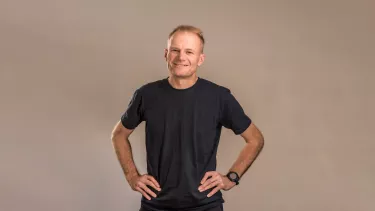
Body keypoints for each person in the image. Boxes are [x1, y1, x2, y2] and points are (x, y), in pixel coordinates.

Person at [111, 25, 264, 211]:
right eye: (175, 50)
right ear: (166, 54)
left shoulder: (219, 97)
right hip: (156, 205)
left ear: (200, 59)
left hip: (205, 205)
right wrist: (132, 176)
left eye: (189, 52)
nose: (181, 57)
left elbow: (255, 139)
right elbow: (119, 134)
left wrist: (232, 177)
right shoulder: (146, 95)